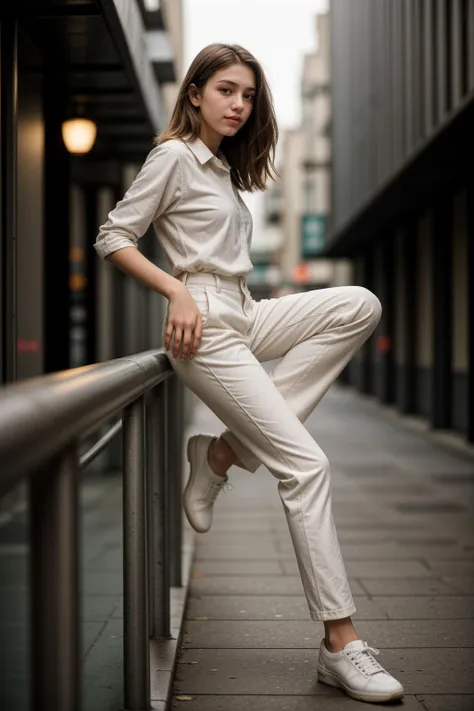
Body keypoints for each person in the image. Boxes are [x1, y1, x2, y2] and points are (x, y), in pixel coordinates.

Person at [94, 43, 404, 704]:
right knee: (305, 466)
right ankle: (341, 642)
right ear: (197, 92)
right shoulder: (174, 155)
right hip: (203, 325)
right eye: (227, 90)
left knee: (359, 303)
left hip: (247, 309)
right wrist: (175, 293)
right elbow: (114, 235)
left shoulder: (226, 170)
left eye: (249, 95)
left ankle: (224, 452)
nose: (239, 104)